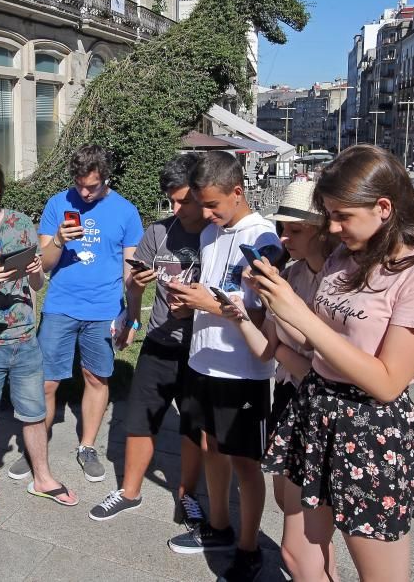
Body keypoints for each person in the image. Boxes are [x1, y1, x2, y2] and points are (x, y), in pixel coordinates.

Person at [255, 145, 414, 582]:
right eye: (328, 214)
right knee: (298, 557)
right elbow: (317, 340)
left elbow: (386, 382)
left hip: (369, 428)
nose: (332, 226)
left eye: (342, 215)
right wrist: (275, 304)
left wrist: (299, 314)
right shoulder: (343, 256)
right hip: (314, 409)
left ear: (383, 207)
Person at [164, 150, 279, 582]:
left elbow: (265, 312)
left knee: (246, 463)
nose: (206, 214)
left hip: (242, 370)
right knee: (210, 447)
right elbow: (212, 290)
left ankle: (249, 547)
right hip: (202, 361)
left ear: (238, 191)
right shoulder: (213, 233)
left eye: (213, 204)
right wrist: (185, 301)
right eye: (201, 204)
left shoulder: (265, 238)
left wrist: (207, 304)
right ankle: (218, 525)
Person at [219, 179, 339, 581]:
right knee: (292, 511)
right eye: (282, 228)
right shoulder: (292, 274)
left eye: (295, 230)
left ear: (324, 228)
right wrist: (238, 314)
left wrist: (284, 330)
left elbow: (329, 369)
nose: (283, 238)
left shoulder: (341, 283)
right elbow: (267, 350)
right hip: (289, 398)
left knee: (300, 542)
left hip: (325, 408)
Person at [0, 153, 79, 525]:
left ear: (0, 187)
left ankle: (42, 477)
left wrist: (37, 271)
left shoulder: (22, 224)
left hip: (25, 339)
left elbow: (35, 285)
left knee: (34, 414)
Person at [88, 153, 207, 528]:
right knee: (139, 419)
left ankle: (188, 495)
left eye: (184, 199)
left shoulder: (215, 234)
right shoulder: (158, 232)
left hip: (199, 349)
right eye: (171, 199)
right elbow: (134, 289)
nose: (176, 207)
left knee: (193, 426)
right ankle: (129, 491)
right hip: (158, 341)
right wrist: (135, 295)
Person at [31, 144, 143, 483]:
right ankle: (37, 448)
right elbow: (43, 266)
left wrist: (133, 318)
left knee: (96, 378)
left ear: (105, 177)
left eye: (91, 186)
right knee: (47, 382)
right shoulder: (57, 204)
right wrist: (58, 242)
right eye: (78, 184)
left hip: (104, 308)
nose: (83, 192)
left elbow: (130, 273)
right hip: (61, 305)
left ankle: (87, 446)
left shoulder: (125, 212)